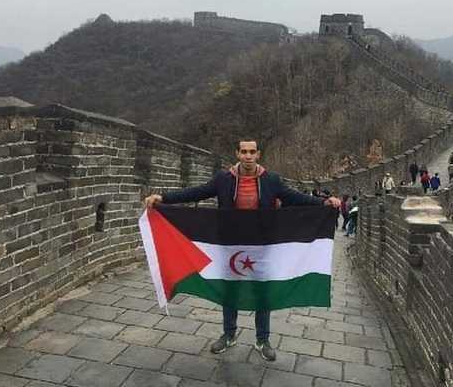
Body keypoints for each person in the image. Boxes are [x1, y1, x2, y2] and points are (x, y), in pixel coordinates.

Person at [143, 139, 340, 363]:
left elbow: (295, 197)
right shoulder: (223, 179)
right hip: (230, 244)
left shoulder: (271, 180)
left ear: (258, 154)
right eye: (244, 151)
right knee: (230, 290)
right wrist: (164, 198)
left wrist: (323, 203)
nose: (248, 155)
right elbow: (197, 193)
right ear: (237, 153)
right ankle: (229, 335)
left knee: (262, 291)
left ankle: (262, 340)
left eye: (252, 151)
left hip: (262, 246)